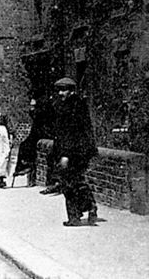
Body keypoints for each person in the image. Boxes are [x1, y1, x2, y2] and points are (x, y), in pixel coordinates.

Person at [53, 77, 100, 227]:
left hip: (73, 152)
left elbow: (71, 133)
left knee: (69, 184)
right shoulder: (73, 104)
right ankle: (89, 206)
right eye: (59, 90)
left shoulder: (73, 106)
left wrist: (65, 154)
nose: (60, 93)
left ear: (72, 90)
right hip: (78, 151)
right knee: (76, 181)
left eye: (64, 90)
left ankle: (75, 216)